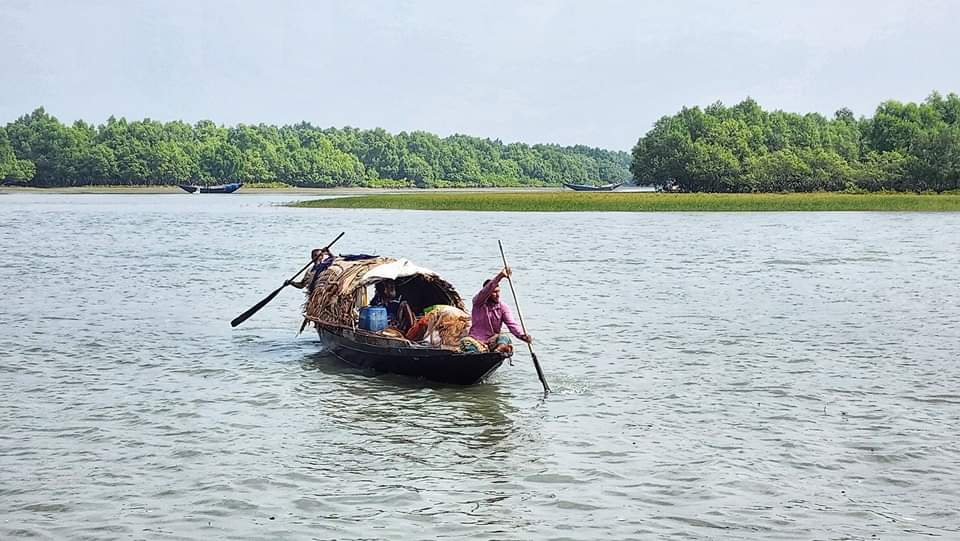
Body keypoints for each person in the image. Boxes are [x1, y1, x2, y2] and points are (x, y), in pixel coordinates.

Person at [464, 267, 531, 354]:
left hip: (493, 340)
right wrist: (500, 276)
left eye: (498, 291)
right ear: (488, 294)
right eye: (494, 292)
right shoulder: (478, 303)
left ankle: (499, 349)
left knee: (504, 338)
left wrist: (522, 335)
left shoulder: (502, 307)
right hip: (477, 340)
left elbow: (512, 324)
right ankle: (474, 355)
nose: (497, 295)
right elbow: (485, 291)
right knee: (466, 342)